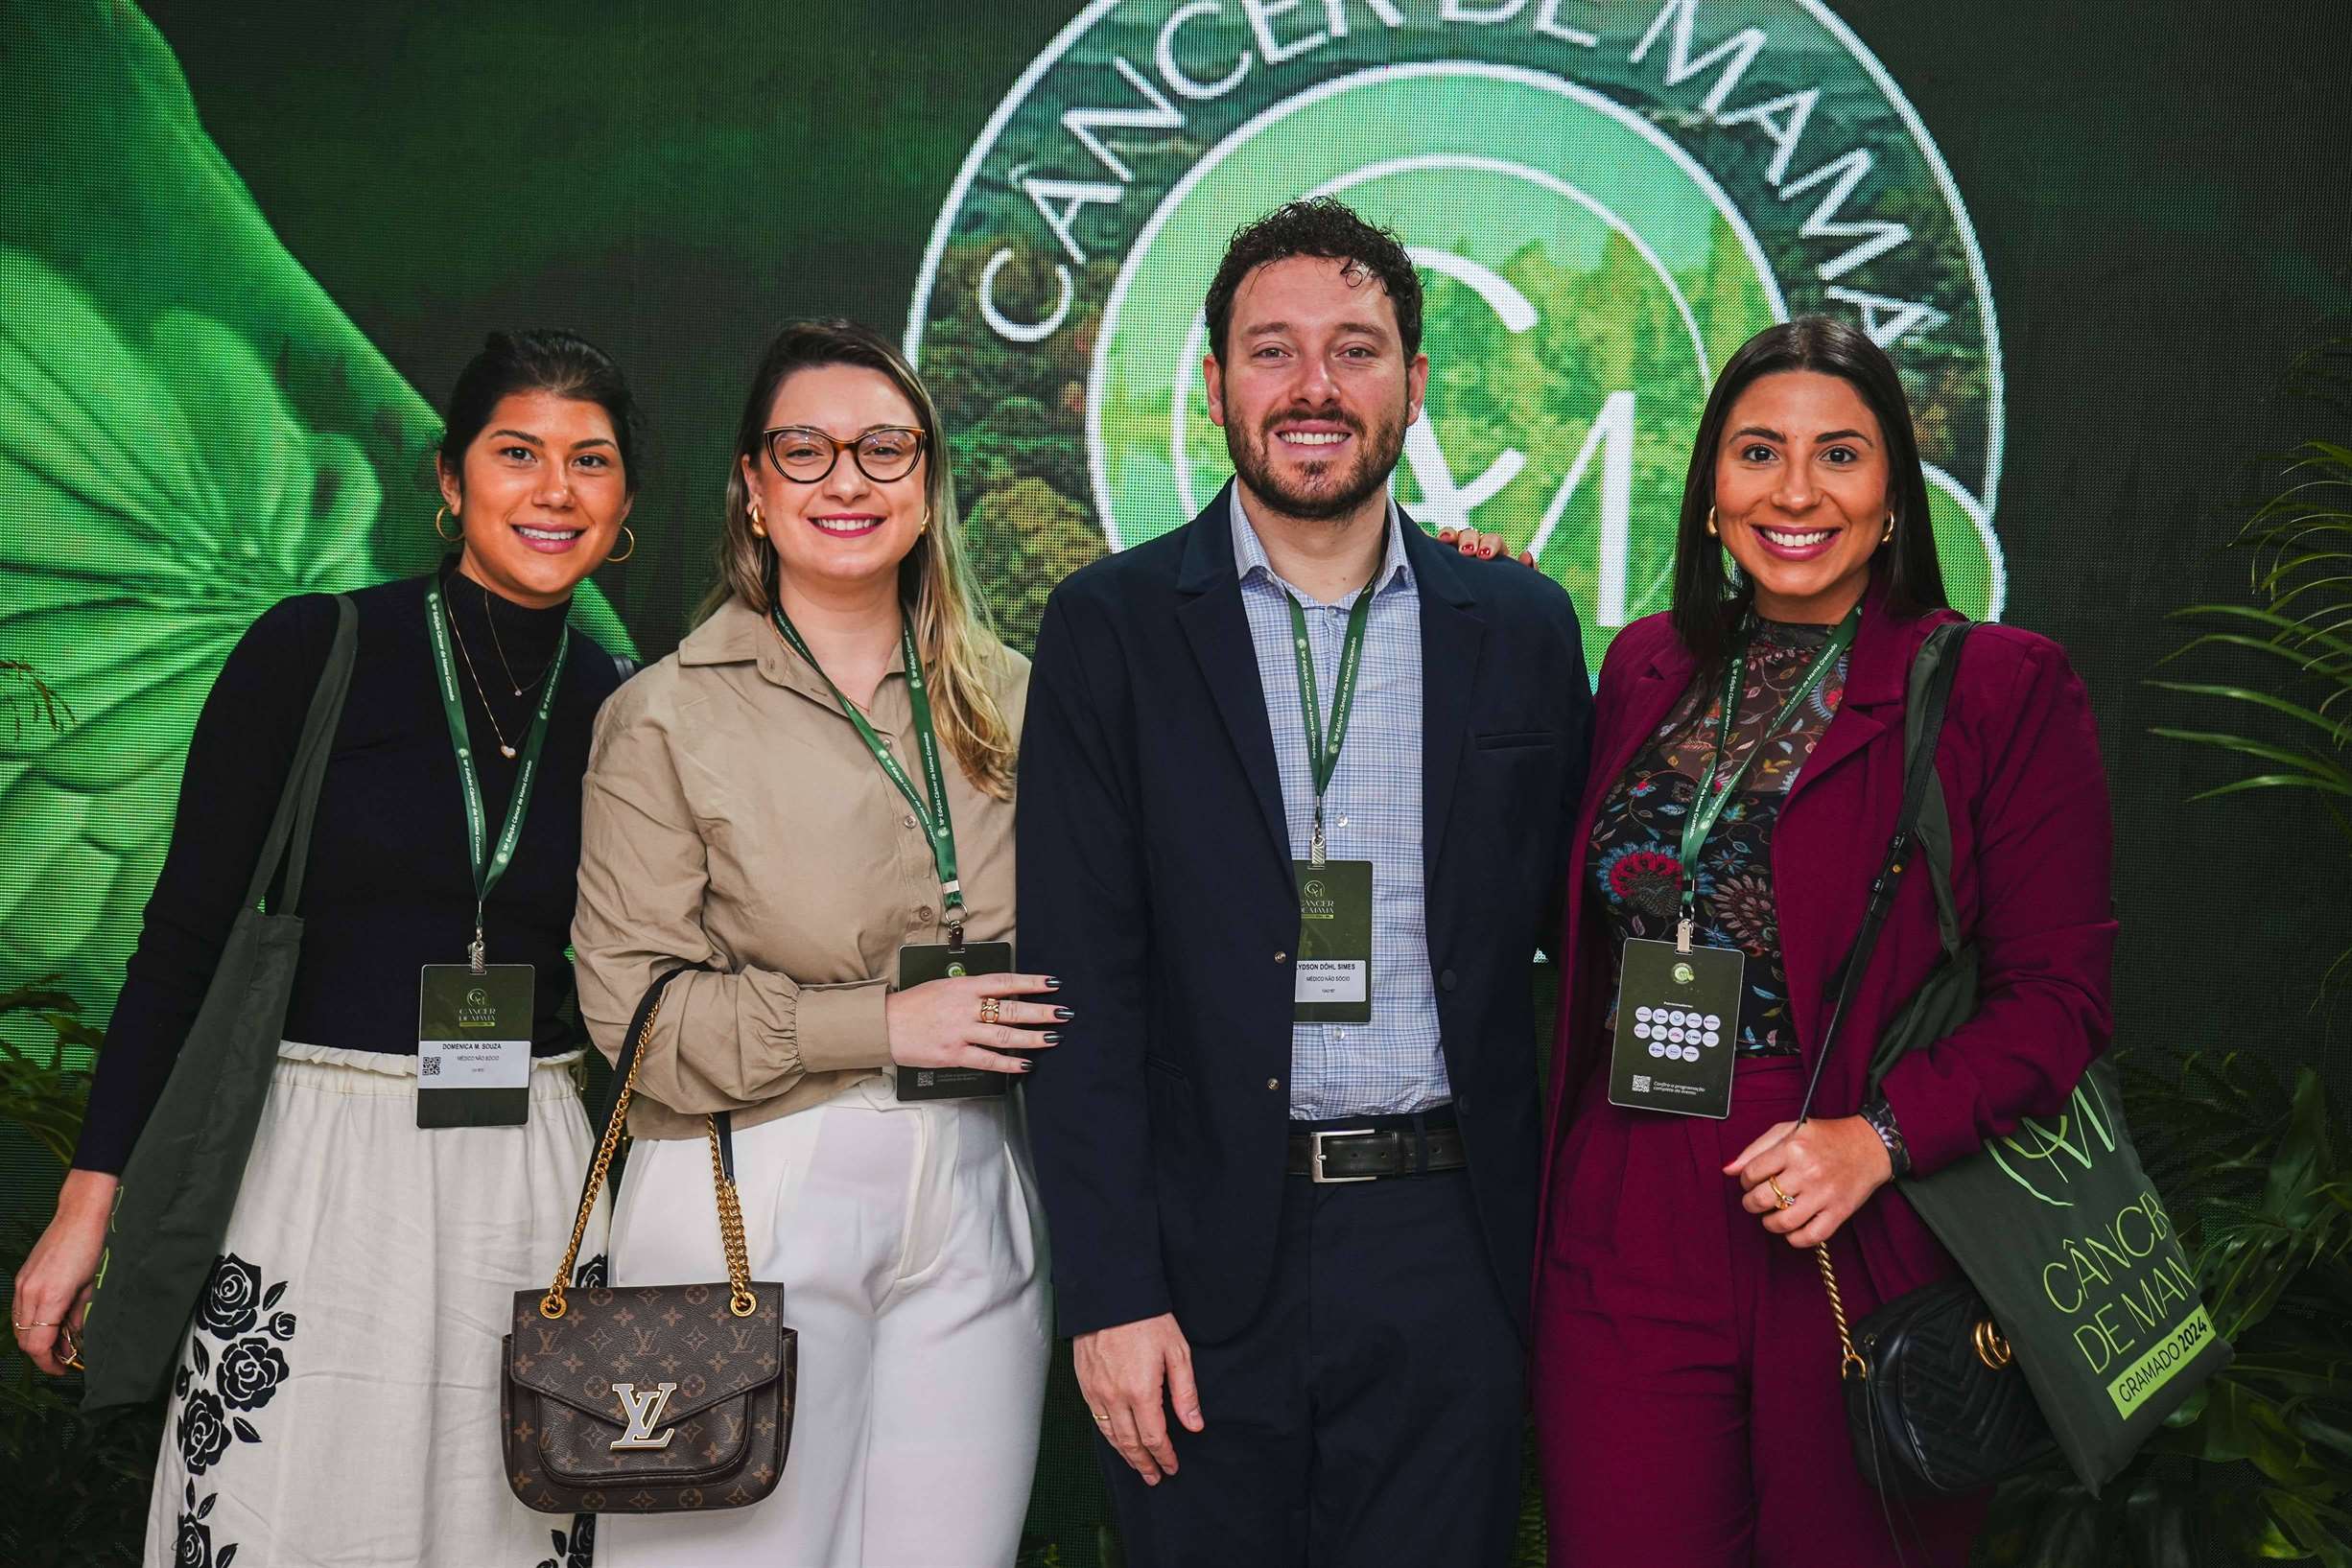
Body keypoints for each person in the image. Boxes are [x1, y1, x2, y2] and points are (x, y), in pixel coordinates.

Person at [1017, 198, 1592, 1566]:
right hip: (1201, 1256)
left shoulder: (1517, 625)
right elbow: (1080, 989)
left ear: (1415, 383)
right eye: (1272, 350)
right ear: (1216, 384)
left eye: (1356, 348)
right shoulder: (1109, 629)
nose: (1314, 386)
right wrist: (1112, 1295)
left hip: (1449, 1248)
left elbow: (1585, 943)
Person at [10, 329, 642, 1566]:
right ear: (451, 478)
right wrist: (90, 1206)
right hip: (315, 1161)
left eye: (591, 461)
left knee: (507, 1520)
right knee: (288, 1514)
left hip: (534, 1173)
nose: (555, 490)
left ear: (625, 505)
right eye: (518, 453)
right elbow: (181, 943)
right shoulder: (317, 649)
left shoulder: (629, 702)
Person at [1531, 316, 2115, 1567]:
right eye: (1759, 453)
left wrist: (1880, 1139)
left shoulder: (2002, 687)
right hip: (1627, 1199)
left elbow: (2059, 998)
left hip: (1852, 1209)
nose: (1795, 493)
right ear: (1710, 491)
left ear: (1894, 496)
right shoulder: (1644, 668)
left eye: (1839, 455)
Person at [571, 318, 1053, 1567]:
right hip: (752, 1177)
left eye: (885, 449)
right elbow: (635, 1019)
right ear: (753, 484)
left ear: (929, 482)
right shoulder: (664, 714)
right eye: (807, 450)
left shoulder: (1020, 699)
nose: (849, 480)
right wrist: (879, 1024)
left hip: (982, 1175)